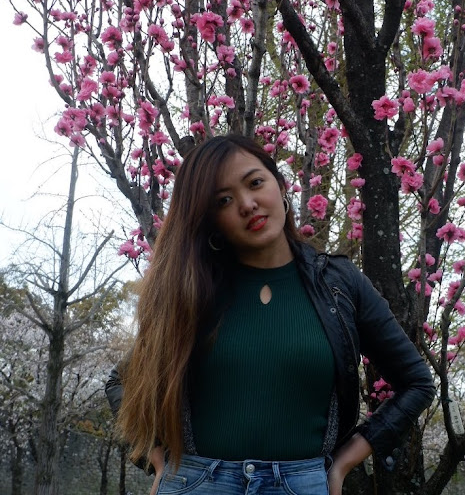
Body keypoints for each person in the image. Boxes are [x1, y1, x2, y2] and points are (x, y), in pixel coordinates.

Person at [105, 134, 435, 495]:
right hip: (198, 484)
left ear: (279, 184)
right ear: (211, 220)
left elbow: (416, 382)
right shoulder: (193, 291)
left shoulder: (340, 284)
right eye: (224, 200)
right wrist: (154, 457)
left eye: (255, 183)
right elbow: (120, 382)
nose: (247, 204)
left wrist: (342, 463)